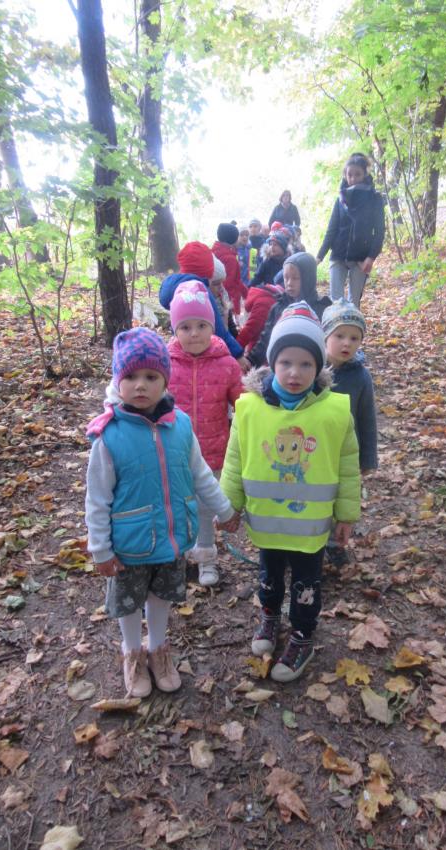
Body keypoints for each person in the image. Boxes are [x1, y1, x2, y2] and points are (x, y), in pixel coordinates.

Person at [85, 328, 239, 697]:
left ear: (165, 380)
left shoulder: (180, 426)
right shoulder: (109, 436)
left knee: (160, 596)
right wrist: (100, 549)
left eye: (151, 376)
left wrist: (224, 510)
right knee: (129, 601)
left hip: (171, 537)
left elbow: (200, 474)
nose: (141, 385)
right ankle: (132, 652)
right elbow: (97, 498)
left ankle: (157, 648)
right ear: (117, 380)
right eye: (131, 376)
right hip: (129, 543)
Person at [220, 302, 360, 682]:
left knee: (306, 583)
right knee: (269, 575)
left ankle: (302, 634)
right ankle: (269, 617)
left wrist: (346, 515)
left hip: (311, 529)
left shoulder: (334, 412)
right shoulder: (249, 408)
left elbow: (348, 465)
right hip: (268, 523)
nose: (295, 373)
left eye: (305, 364)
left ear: (319, 367)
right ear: (272, 362)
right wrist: (229, 506)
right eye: (286, 362)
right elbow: (235, 458)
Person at [168, 281, 243, 587]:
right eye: (185, 327)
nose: (194, 333)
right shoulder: (164, 364)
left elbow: (242, 404)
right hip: (173, 452)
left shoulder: (226, 364)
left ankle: (207, 558)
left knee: (204, 507)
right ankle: (176, 558)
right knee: (175, 507)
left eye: (201, 325)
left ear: (212, 326)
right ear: (175, 329)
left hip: (213, 451)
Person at [321, 299, 378, 566]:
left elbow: (367, 420)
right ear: (325, 336)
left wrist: (367, 459)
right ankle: (305, 541)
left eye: (354, 338)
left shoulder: (360, 377)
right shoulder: (311, 369)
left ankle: (334, 543)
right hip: (316, 446)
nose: (347, 343)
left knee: (341, 497)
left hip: (346, 451)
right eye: (339, 336)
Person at [158, 241, 249, 371]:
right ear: (206, 272)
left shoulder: (175, 287)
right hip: (204, 354)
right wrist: (238, 355)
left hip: (180, 352)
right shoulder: (200, 291)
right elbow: (219, 328)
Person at [316, 153, 385, 307]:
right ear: (345, 175)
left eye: (357, 174)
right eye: (350, 174)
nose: (353, 178)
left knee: (354, 304)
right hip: (338, 256)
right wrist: (319, 256)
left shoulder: (375, 199)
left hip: (360, 259)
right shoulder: (340, 199)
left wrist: (371, 258)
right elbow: (331, 230)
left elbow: (379, 232)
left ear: (365, 174)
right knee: (336, 304)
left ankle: (354, 324)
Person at [247, 252, 331, 369]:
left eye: (295, 278)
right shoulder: (278, 307)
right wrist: (250, 361)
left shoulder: (322, 309)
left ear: (308, 279)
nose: (289, 283)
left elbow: (329, 346)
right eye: (286, 278)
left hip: (311, 368)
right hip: (283, 368)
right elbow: (266, 339)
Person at [237, 282, 284, 354]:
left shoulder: (262, 301)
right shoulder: (265, 302)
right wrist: (235, 351)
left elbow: (250, 328)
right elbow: (251, 328)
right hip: (262, 347)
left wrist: (235, 349)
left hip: (262, 346)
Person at [212, 223, 248, 316]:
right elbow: (230, 283)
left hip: (217, 298)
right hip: (229, 301)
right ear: (232, 239)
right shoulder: (230, 259)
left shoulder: (214, 252)